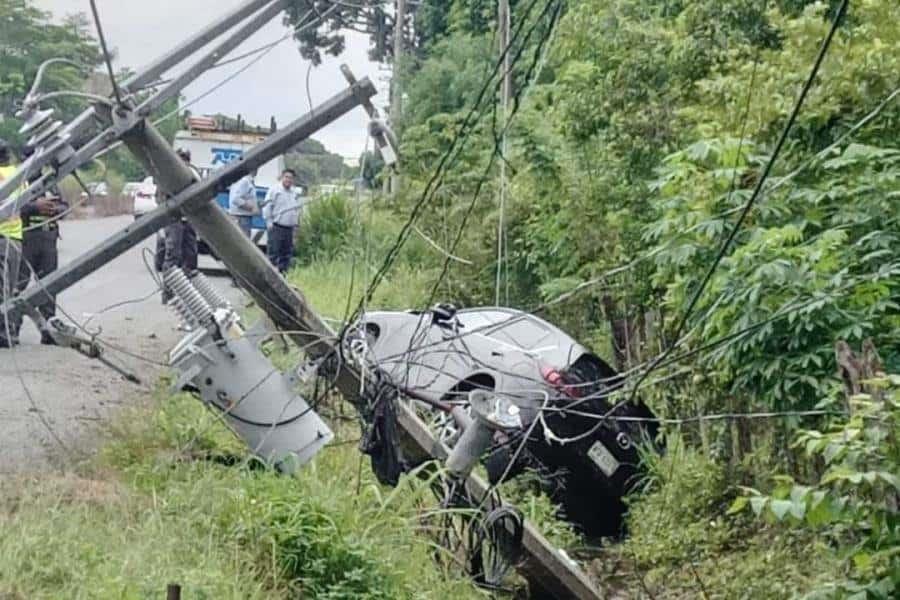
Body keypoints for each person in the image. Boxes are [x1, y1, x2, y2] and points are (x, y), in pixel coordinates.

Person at [18, 178, 69, 345]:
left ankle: (49, 331)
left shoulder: (50, 182)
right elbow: (12, 207)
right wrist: (36, 207)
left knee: (49, 286)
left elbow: (64, 206)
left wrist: (55, 208)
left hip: (48, 239)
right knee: (18, 285)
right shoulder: (21, 181)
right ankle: (10, 328)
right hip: (25, 238)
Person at [161, 148, 200, 302]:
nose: (184, 161)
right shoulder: (167, 173)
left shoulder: (193, 172)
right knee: (173, 254)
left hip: (189, 218)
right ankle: (168, 291)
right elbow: (162, 196)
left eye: (186, 158)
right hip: (173, 219)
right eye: (181, 158)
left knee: (191, 255)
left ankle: (187, 292)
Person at [0, 139, 24, 348]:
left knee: (2, 288)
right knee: (10, 288)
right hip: (15, 237)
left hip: (2, 237)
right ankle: (8, 331)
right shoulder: (17, 175)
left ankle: (4, 331)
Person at [262, 168, 302, 274]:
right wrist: (269, 223)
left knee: (286, 255)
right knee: (274, 254)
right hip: (277, 227)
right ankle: (269, 276)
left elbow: (296, 210)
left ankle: (283, 276)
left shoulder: (294, 193)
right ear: (282, 177)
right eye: (287, 177)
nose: (288, 180)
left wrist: (296, 226)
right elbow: (267, 207)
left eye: (291, 178)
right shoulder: (274, 190)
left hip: (289, 229)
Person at [228, 169, 259, 238]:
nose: (257, 169)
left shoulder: (246, 180)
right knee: (240, 244)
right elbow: (235, 199)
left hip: (243, 218)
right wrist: (252, 207)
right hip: (241, 219)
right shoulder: (245, 181)